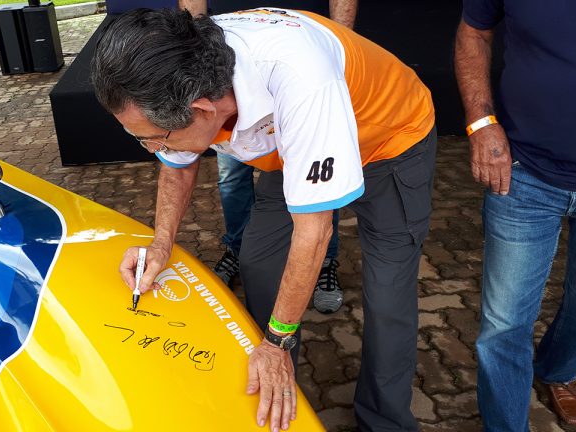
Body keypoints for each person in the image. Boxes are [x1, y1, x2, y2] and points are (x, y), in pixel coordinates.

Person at [93, 8, 435, 431]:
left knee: (387, 294)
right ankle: (281, 398)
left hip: (390, 138)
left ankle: (384, 422)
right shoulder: (182, 72)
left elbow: (314, 231)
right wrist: (161, 243)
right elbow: (177, 165)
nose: (149, 149)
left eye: (151, 138)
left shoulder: (300, 78)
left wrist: (276, 342)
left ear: (202, 109)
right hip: (293, 143)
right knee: (259, 260)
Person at [454, 1, 576, 429]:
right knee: (504, 326)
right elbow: (474, 32)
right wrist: (481, 123)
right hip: (524, 171)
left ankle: (557, 369)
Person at [179, 0, 358, 314]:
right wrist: (193, 59)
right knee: (232, 178)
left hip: (295, 53)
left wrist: (337, 42)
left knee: (318, 177)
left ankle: (325, 261)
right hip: (226, 60)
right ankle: (237, 250)